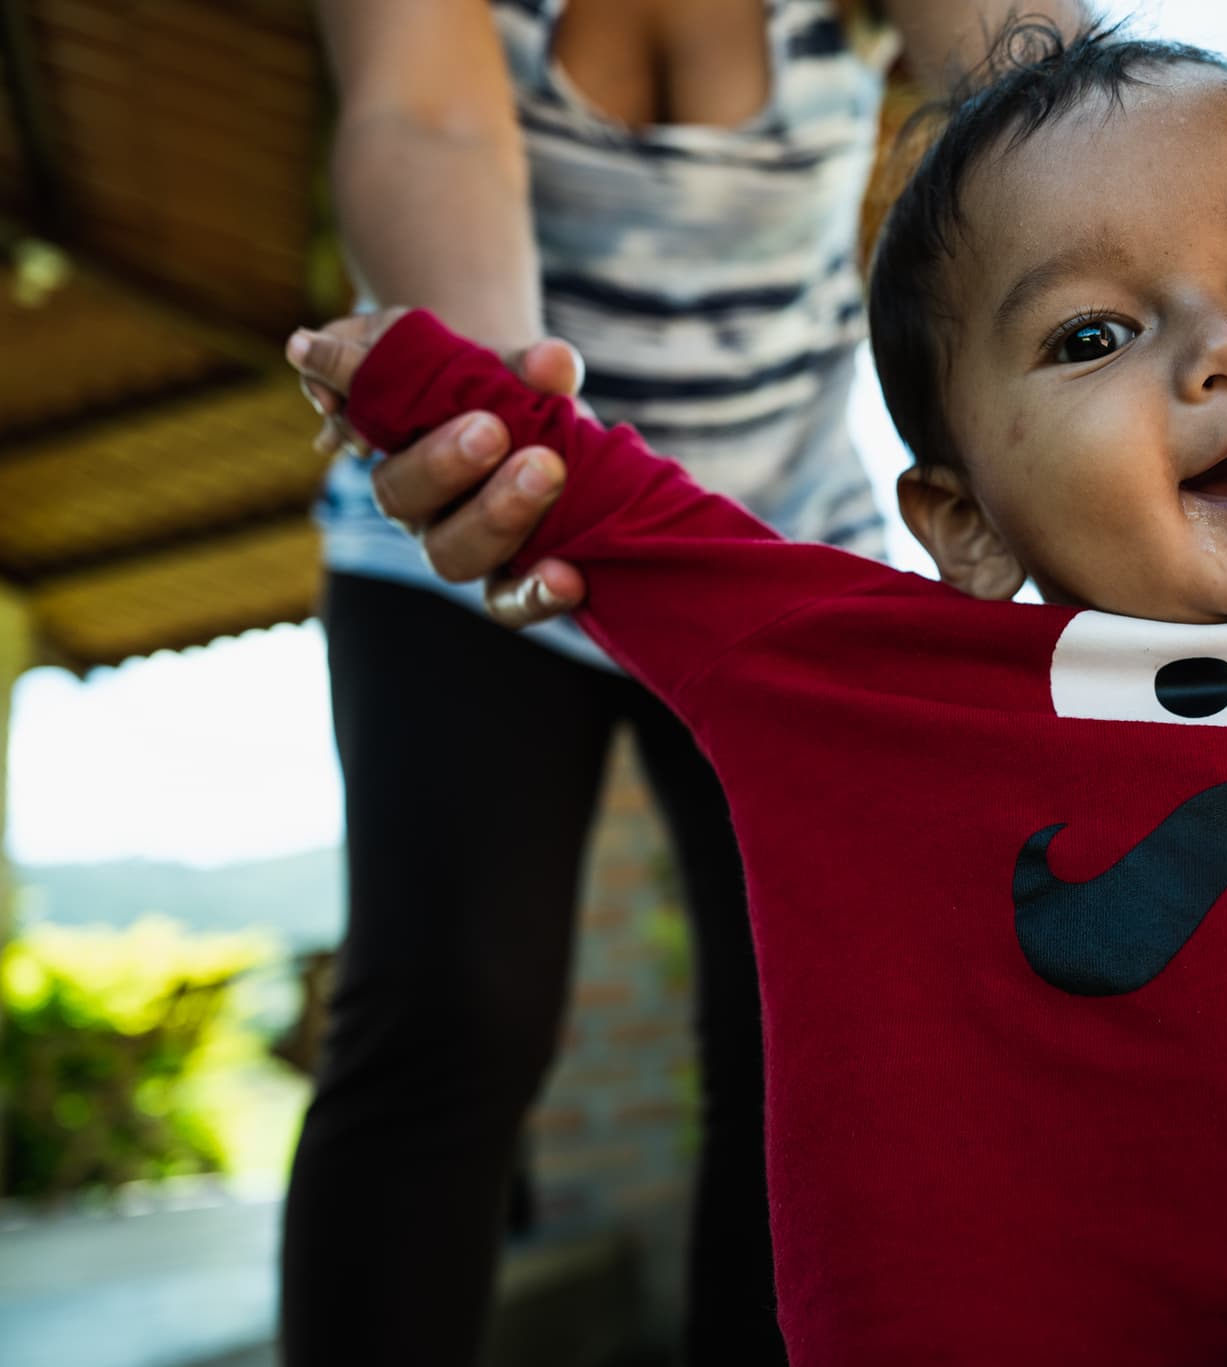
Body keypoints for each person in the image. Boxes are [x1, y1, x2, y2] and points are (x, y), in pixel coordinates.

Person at [289, 22, 1227, 1364]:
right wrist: (471, 416)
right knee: (453, 1006)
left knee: (754, 1037)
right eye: (1095, 332)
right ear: (965, 522)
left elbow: (1073, 124)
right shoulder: (889, 697)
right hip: (550, 503)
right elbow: (428, 126)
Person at [289, 3, 1099, 1363]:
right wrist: (508, 434)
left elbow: (1051, 97)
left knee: (805, 1032)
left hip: (771, 537)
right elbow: (422, 116)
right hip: (466, 520)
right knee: (449, 1007)